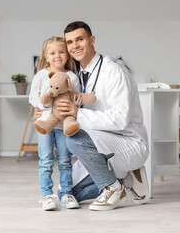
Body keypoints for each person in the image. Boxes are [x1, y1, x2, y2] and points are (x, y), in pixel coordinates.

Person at [53, 21, 150, 211]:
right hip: (102, 142)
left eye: (79, 39)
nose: (75, 46)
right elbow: (73, 117)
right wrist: (48, 115)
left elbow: (120, 119)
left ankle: (114, 188)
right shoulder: (78, 76)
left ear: (92, 39)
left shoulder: (113, 72)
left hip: (128, 142)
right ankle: (128, 180)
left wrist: (77, 113)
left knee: (74, 139)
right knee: (67, 192)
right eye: (70, 42)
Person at [29, 36, 81, 211]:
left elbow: (77, 98)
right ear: (46, 55)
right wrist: (43, 104)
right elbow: (33, 97)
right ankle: (46, 196)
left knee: (65, 160)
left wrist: (74, 107)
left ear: (67, 55)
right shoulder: (41, 76)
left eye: (61, 52)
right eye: (52, 53)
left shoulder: (72, 77)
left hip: (63, 125)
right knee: (45, 160)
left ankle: (66, 193)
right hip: (44, 124)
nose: (57, 56)